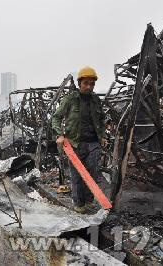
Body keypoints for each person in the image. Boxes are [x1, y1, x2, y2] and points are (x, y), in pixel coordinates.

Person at [52, 67, 106, 214]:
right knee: (77, 176)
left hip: (93, 142)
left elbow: (101, 119)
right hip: (74, 143)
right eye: (86, 83)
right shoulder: (70, 99)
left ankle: (89, 201)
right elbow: (56, 117)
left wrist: (102, 135)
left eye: (92, 84)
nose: (89, 87)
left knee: (93, 172)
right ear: (80, 83)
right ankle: (78, 203)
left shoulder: (95, 100)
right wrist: (60, 134)